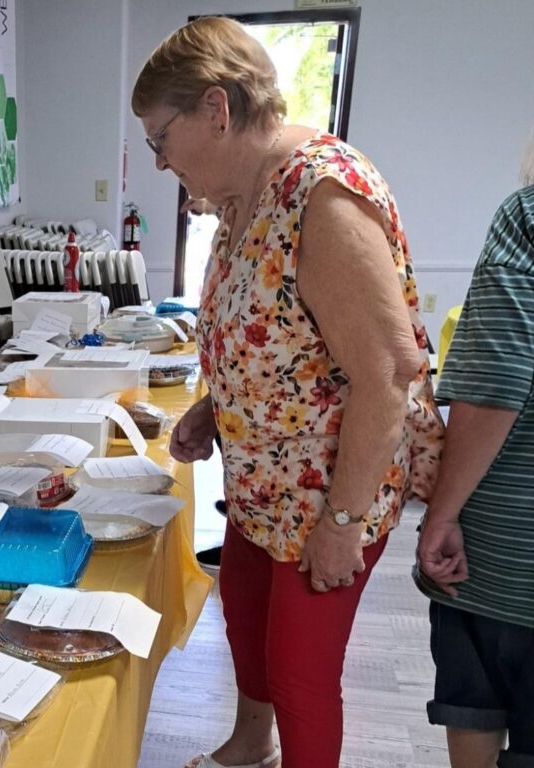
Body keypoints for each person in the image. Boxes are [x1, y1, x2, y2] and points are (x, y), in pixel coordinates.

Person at [131, 17, 444, 768]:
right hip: (262, 482)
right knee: (246, 625)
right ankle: (248, 748)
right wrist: (216, 406)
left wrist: (341, 522)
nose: (159, 160)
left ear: (216, 108)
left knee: (302, 675)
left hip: (330, 490)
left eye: (159, 139)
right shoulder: (241, 194)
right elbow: (277, 335)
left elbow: (388, 375)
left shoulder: (322, 195)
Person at [416, 141, 534, 768]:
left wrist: (442, 512)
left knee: (477, 699)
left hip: (508, 557)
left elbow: (497, 380)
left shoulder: (527, 217)